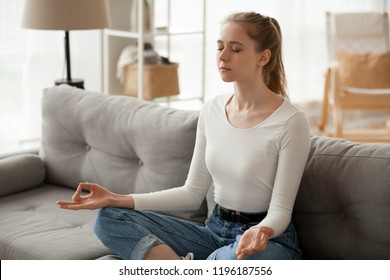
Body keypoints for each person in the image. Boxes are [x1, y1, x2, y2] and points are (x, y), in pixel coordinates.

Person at [57, 11, 311, 260]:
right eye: (220, 47)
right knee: (109, 217)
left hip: (266, 240)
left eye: (235, 49)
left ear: (263, 57)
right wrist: (116, 198)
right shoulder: (212, 110)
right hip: (213, 232)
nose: (222, 56)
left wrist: (261, 230)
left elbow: (280, 211)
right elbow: (192, 193)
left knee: (232, 261)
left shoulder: (290, 121)